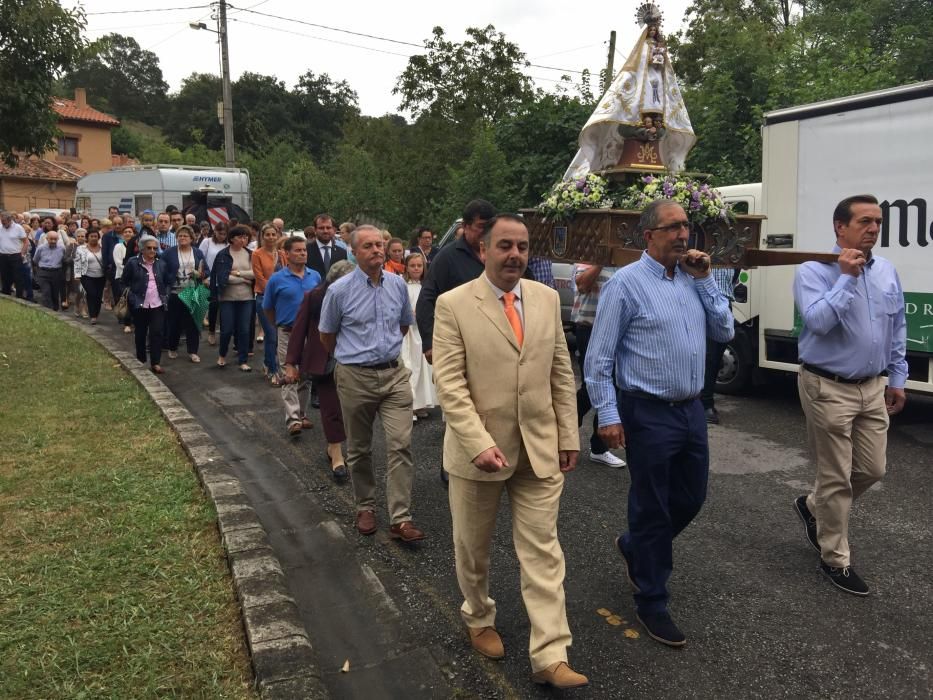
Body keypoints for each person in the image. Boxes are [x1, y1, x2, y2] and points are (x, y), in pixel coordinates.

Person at [432, 214, 586, 690]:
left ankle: (550, 653)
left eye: (521, 246)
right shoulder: (453, 305)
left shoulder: (544, 298)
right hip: (478, 452)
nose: (514, 255)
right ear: (484, 251)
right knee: (472, 549)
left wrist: (567, 435)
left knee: (543, 551)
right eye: (504, 246)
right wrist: (477, 442)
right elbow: (450, 382)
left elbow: (560, 372)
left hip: (538, 449)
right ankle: (478, 615)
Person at [584, 199, 733, 647]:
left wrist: (706, 280)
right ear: (648, 236)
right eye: (672, 228)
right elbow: (599, 358)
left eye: (686, 226)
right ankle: (652, 599)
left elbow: (724, 332)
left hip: (689, 410)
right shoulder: (625, 286)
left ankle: (636, 547)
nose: (683, 235)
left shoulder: (694, 279)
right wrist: (607, 415)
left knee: (690, 497)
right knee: (651, 505)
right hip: (646, 410)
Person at [791, 194, 907, 597]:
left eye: (877, 221)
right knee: (836, 476)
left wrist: (898, 377)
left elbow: (898, 326)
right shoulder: (812, 271)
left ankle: (812, 506)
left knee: (873, 469)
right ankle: (835, 560)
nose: (874, 228)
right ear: (841, 228)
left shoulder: (888, 271)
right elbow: (819, 323)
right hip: (828, 387)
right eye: (864, 221)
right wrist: (846, 277)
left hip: (873, 386)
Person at [319, 225, 425, 542]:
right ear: (354, 252)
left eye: (380, 244)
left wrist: (384, 353)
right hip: (355, 376)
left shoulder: (397, 285)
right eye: (368, 246)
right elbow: (327, 336)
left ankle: (400, 518)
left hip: (394, 375)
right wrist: (355, 359)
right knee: (360, 448)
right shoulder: (338, 292)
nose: (377, 250)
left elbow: (404, 326)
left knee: (400, 445)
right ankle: (365, 506)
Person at [416, 199, 497, 487]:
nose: (486, 233)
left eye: (491, 227)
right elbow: (427, 298)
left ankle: (487, 455)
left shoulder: (496, 254)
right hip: (457, 345)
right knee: (457, 406)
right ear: (465, 227)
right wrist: (429, 342)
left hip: (494, 346)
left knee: (488, 405)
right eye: (481, 228)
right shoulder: (448, 257)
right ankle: (451, 464)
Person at [284, 259, 356, 481]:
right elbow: (298, 332)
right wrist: (290, 363)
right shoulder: (314, 297)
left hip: (354, 361)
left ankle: (345, 447)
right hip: (325, 362)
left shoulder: (360, 297)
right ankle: (336, 453)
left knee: (351, 409)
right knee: (330, 408)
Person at [262, 236, 322, 436]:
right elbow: (268, 308)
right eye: (297, 250)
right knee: (288, 374)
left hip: (310, 334)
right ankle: (293, 419)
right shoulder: (277, 279)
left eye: (304, 250)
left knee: (306, 375)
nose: (303, 253)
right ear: (286, 254)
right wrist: (279, 324)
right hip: (287, 331)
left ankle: (302, 414)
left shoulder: (315, 276)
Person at [571, 263, 626, 467]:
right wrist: (601, 260)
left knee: (612, 385)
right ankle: (562, 430)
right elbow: (582, 284)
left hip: (616, 330)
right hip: (589, 328)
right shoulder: (586, 259)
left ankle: (599, 448)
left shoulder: (625, 263)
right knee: (590, 387)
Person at [122, 234, 169, 374]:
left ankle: (155, 362)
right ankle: (141, 360)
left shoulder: (161, 263)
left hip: (158, 304)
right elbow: (123, 282)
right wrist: (131, 297)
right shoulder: (132, 262)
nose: (152, 251)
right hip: (139, 304)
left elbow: (167, 282)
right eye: (149, 248)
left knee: (156, 333)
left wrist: (165, 296)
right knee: (140, 334)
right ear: (142, 249)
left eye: (155, 248)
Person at [210, 225, 254, 370]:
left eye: (246, 236)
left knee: (244, 329)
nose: (244, 239)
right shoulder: (223, 254)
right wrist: (244, 278)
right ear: (232, 239)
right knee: (227, 329)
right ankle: (222, 355)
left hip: (247, 297)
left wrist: (238, 273)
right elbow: (223, 278)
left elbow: (255, 274)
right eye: (241, 236)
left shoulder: (251, 254)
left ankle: (243, 360)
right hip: (227, 297)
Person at [163, 226, 208, 363]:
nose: (182, 238)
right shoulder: (169, 252)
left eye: (185, 236)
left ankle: (193, 351)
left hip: (193, 292)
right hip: (175, 293)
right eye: (180, 236)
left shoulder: (198, 252)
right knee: (174, 323)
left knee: (193, 323)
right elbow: (162, 269)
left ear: (191, 238)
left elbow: (205, 271)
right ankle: (172, 348)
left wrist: (199, 274)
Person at [400, 253, 437, 420]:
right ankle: (411, 406)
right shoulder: (402, 286)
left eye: (419, 266)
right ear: (406, 267)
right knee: (412, 367)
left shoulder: (426, 287)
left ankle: (421, 403)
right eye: (412, 266)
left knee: (424, 368)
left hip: (424, 333)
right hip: (409, 333)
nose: (416, 268)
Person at [701, 268, 736, 424]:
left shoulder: (731, 255)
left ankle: (706, 400)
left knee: (715, 359)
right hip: (704, 303)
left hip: (723, 305)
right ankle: (705, 403)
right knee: (708, 357)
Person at [252, 222, 285, 382]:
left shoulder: (283, 254)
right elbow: (260, 278)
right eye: (268, 235)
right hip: (264, 297)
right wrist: (275, 292)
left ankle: (268, 362)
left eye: (273, 234)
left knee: (279, 336)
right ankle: (273, 370)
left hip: (282, 300)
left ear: (278, 236)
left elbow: (287, 274)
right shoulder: (257, 254)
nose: (271, 237)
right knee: (271, 335)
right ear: (262, 236)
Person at [200, 222, 229, 345]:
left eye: (224, 234)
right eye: (219, 233)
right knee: (213, 306)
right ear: (215, 232)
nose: (221, 236)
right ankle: (211, 332)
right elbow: (200, 259)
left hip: (225, 280)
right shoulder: (207, 242)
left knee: (225, 308)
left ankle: (224, 332)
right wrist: (203, 277)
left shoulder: (228, 244)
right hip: (210, 280)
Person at [73, 229, 107, 324]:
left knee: (98, 296)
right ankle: (93, 316)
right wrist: (77, 275)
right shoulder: (81, 249)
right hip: (86, 276)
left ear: (98, 238)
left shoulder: (103, 248)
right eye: (91, 236)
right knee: (92, 294)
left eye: (95, 236)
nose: (93, 238)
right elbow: (77, 262)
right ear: (88, 238)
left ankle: (96, 313)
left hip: (101, 276)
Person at [32, 230, 66, 310]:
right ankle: (48, 311)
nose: (53, 241)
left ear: (58, 239)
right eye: (51, 239)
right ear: (47, 239)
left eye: (55, 239)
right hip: (44, 272)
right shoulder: (41, 248)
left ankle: (55, 310)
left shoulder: (61, 248)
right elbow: (35, 260)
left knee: (55, 293)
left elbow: (63, 259)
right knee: (46, 292)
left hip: (56, 272)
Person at [305, 214, 347, 278]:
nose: (325, 231)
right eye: (321, 228)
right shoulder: (305, 251)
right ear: (315, 230)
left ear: (333, 229)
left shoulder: (342, 252)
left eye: (328, 228)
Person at [112, 224, 136, 333]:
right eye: (125, 232)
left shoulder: (136, 247)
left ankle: (134, 321)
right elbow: (118, 262)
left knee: (134, 301)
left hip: (135, 278)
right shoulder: (118, 246)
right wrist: (131, 268)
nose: (127, 234)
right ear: (122, 235)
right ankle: (126, 323)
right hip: (121, 277)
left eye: (130, 232)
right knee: (125, 300)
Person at [0, 210, 28, 297]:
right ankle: (6, 294)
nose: (3, 223)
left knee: (18, 277)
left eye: (4, 222)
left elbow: (25, 242)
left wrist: (22, 254)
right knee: (5, 277)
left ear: (10, 220)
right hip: (3, 256)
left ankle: (19, 296)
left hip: (15, 256)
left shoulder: (18, 228)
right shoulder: (0, 227)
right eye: (1, 221)